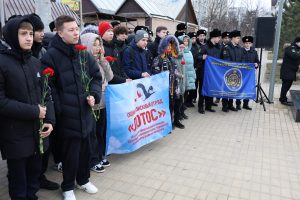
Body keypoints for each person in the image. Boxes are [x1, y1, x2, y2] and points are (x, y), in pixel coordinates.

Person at [41, 15, 102, 200]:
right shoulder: (51, 56)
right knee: (70, 154)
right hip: (66, 116)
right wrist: (60, 109)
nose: (76, 33)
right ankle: (67, 187)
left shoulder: (83, 53)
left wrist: (94, 94)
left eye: (77, 28)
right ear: (60, 33)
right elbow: (47, 87)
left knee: (86, 151)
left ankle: (84, 180)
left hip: (85, 113)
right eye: (71, 30)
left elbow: (96, 77)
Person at [0, 16, 55, 200]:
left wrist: (49, 121)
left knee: (34, 175)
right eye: (23, 34)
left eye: (31, 33)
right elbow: (1, 102)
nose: (29, 38)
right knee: (18, 179)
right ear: (11, 35)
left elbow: (46, 94)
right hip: (15, 134)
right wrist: (34, 111)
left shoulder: (35, 62)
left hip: (38, 133)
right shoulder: (2, 63)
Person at [26, 13, 61, 191]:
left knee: (44, 145)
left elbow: (47, 84)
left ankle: (39, 177)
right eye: (36, 30)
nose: (40, 34)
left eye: (39, 30)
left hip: (44, 104)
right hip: (28, 110)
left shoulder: (42, 50)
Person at [80, 33, 115, 173]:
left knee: (101, 131)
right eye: (93, 45)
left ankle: (100, 156)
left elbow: (110, 77)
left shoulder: (100, 60)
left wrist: (103, 60)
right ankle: (93, 160)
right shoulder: (83, 62)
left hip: (103, 102)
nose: (97, 48)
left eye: (98, 44)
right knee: (92, 133)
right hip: (91, 103)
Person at [152, 35, 181, 129]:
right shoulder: (158, 59)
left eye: (171, 46)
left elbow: (175, 71)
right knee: (164, 107)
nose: (169, 48)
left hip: (173, 87)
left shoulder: (172, 58)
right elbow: (156, 74)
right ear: (163, 46)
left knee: (173, 105)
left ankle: (171, 122)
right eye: (167, 46)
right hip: (163, 89)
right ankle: (164, 125)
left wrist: (179, 75)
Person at [198, 29, 222, 113]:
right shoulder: (205, 46)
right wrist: (202, 57)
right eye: (218, 37)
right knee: (202, 89)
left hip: (214, 73)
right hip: (204, 72)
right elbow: (198, 56)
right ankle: (200, 106)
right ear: (213, 37)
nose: (219, 39)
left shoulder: (219, 47)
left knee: (211, 88)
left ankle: (208, 106)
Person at [221, 30, 243, 112]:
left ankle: (230, 104)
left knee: (233, 88)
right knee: (226, 88)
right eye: (237, 38)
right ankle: (224, 105)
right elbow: (226, 60)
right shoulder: (226, 48)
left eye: (239, 38)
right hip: (228, 72)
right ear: (233, 38)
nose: (239, 40)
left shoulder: (239, 48)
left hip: (236, 73)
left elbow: (242, 59)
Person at [279, 36, 300, 106]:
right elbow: (294, 56)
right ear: (297, 42)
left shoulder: (297, 49)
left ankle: (283, 98)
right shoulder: (290, 48)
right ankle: (283, 99)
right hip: (287, 71)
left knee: (287, 85)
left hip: (291, 71)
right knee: (286, 85)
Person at [178, 35, 196, 110]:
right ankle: (180, 108)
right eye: (184, 41)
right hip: (182, 75)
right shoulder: (179, 52)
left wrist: (194, 74)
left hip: (190, 74)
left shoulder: (189, 52)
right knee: (182, 93)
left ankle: (183, 106)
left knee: (186, 92)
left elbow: (191, 65)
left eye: (187, 41)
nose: (186, 43)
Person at [241, 36, 259, 110]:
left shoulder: (254, 52)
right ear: (243, 44)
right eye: (246, 43)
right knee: (240, 88)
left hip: (249, 74)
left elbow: (257, 61)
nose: (247, 44)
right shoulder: (240, 51)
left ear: (251, 44)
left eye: (249, 43)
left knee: (247, 88)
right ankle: (238, 104)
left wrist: (256, 64)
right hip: (241, 73)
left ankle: (246, 104)